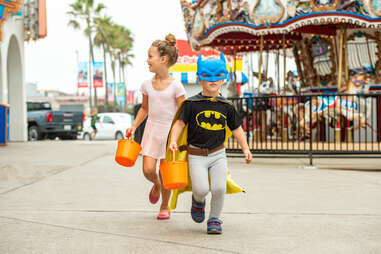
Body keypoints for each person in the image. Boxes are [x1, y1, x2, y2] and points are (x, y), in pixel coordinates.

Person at [168, 53, 252, 234]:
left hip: (218, 154)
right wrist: (174, 141)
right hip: (196, 155)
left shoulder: (227, 106)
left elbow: (237, 129)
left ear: (224, 79)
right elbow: (179, 124)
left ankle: (214, 219)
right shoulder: (192, 104)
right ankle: (198, 201)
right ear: (199, 78)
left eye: (218, 76)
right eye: (207, 76)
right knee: (201, 188)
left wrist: (245, 148)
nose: (213, 80)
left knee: (219, 188)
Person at [126, 34, 185, 220]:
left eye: (150, 56)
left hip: (170, 134)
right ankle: (157, 185)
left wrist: (180, 136)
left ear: (163, 59)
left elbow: (183, 113)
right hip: (152, 131)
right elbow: (145, 108)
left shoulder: (177, 86)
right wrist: (134, 126)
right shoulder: (146, 85)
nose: (147, 60)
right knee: (148, 170)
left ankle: (165, 205)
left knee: (166, 171)